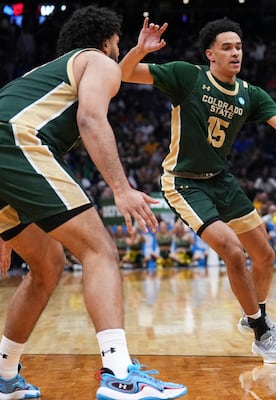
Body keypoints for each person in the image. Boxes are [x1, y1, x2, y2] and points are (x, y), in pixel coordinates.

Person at [0, 6, 186, 400]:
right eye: (118, 46)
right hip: (15, 143)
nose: (118, 54)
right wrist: (120, 188)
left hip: (7, 154)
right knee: (99, 249)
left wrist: (137, 52)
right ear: (106, 42)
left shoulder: (56, 70)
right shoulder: (97, 61)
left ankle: (3, 374)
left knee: (47, 265)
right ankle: (120, 373)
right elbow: (90, 120)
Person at [120, 17, 276, 363]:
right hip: (184, 181)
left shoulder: (250, 94)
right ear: (210, 54)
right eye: (227, 47)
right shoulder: (187, 76)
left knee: (265, 254)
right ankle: (260, 332)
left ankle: (256, 315)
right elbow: (123, 73)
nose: (235, 53)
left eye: (238, 47)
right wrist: (139, 50)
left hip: (221, 179)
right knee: (233, 252)